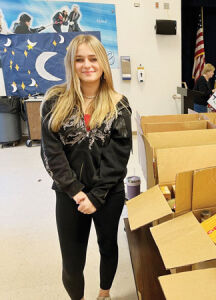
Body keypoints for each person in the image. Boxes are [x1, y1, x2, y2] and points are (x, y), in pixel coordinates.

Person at [40, 34, 132, 300]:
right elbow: (52, 153)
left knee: (108, 245)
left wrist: (97, 195)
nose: (87, 65)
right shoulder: (54, 101)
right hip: (70, 195)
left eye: (93, 58)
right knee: (71, 262)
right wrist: (76, 192)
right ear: (71, 63)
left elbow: (118, 156)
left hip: (108, 194)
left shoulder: (119, 103)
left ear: (103, 62)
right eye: (79, 59)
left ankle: (104, 293)